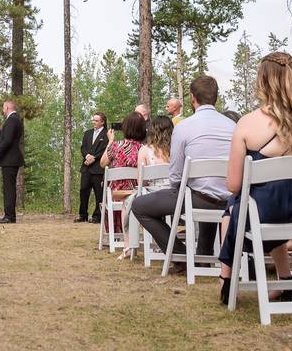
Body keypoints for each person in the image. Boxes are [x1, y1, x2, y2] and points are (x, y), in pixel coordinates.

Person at [216, 52, 292, 305]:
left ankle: (226, 278)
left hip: (267, 215)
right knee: (273, 194)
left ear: (264, 81)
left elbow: (234, 185)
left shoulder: (248, 124)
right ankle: (285, 280)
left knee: (240, 203)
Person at [129, 76, 234, 263]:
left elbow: (176, 175)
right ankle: (203, 253)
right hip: (231, 200)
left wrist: (180, 188)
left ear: (192, 98)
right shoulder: (233, 126)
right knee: (205, 190)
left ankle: (181, 256)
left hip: (198, 198)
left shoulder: (184, 127)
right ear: (216, 98)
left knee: (140, 205)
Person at [100, 111, 145, 257]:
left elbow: (102, 163)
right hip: (138, 193)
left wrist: (110, 140)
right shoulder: (144, 149)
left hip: (116, 195)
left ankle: (122, 240)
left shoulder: (115, 146)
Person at [0, 99, 25, 224]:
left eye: (3, 108)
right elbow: (6, 139)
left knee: (9, 188)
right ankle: (10, 215)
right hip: (10, 158)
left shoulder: (12, 120)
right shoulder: (15, 119)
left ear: (7, 107)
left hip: (10, 159)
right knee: (9, 188)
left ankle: (9, 216)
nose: (2, 110)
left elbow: (7, 141)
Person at [76, 112, 109, 223]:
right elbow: (83, 147)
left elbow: (105, 149)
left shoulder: (107, 134)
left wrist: (94, 157)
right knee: (83, 191)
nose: (93, 122)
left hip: (98, 168)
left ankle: (97, 216)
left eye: (96, 120)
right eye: (93, 120)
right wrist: (87, 156)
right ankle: (83, 215)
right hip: (86, 167)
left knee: (98, 193)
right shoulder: (87, 133)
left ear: (102, 122)